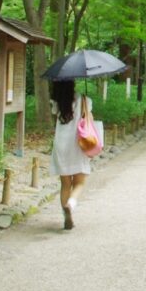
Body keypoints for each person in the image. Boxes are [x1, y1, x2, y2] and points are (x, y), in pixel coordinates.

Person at [50, 79, 91, 230]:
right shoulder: (83, 99)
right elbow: (88, 118)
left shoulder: (56, 102)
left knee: (65, 184)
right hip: (78, 144)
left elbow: (56, 116)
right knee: (79, 182)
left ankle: (66, 215)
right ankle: (71, 204)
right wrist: (85, 100)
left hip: (61, 144)